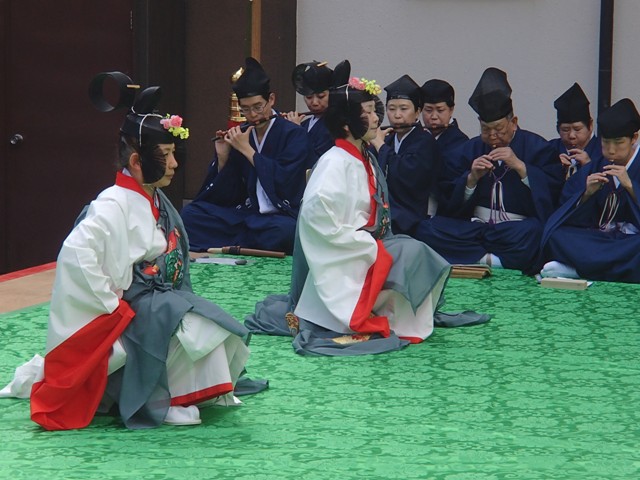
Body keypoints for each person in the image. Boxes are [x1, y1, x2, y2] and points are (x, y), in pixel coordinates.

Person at [0, 72, 264, 430]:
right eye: (166, 155)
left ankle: (180, 392)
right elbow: (76, 256)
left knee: (212, 326)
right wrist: (111, 305)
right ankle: (162, 399)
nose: (174, 164)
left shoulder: (153, 198)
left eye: (173, 154)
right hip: (129, 306)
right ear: (137, 162)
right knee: (198, 327)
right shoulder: (111, 205)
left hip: (154, 299)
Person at [245, 61, 489, 356]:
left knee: (418, 251)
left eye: (375, 111)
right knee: (412, 251)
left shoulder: (362, 156)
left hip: (363, 244)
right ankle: (385, 315)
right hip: (344, 256)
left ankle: (397, 315)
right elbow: (317, 221)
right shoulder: (335, 163)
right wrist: (366, 244)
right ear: (348, 125)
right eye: (369, 113)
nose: (377, 119)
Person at [415, 67, 564, 273]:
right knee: (428, 228)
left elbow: (554, 190)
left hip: (514, 227)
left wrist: (522, 168)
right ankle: (494, 260)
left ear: (513, 123)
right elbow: (448, 197)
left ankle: (475, 258)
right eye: (485, 129)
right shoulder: (469, 149)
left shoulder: (538, 147)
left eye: (499, 129)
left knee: (535, 232)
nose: (492, 135)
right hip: (477, 226)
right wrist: (471, 179)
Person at [180, 57, 310, 254]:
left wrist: (248, 151)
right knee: (190, 214)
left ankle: (239, 241)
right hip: (247, 215)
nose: (253, 114)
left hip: (279, 216)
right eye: (246, 109)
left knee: (285, 231)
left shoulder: (293, 134)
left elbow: (287, 180)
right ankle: (249, 242)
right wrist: (223, 158)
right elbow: (228, 194)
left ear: (271, 99)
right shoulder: (242, 134)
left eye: (258, 107)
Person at [539, 98, 640, 283]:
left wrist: (631, 187)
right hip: (600, 237)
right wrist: (587, 194)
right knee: (556, 234)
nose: (611, 150)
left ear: (634, 138)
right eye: (606, 143)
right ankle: (606, 270)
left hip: (631, 240)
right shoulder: (595, 167)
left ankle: (579, 270)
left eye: (618, 142)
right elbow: (568, 212)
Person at [369, 74, 440, 235]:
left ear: (417, 112)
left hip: (411, 215)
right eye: (391, 109)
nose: (397, 115)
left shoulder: (425, 142)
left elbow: (409, 177)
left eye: (403, 109)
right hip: (386, 211)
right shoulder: (388, 139)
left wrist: (380, 145)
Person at [548, 82, 603, 183]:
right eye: (565, 130)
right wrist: (554, 167)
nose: (571, 135)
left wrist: (589, 167)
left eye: (577, 129)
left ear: (590, 125)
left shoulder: (604, 151)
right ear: (557, 129)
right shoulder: (549, 150)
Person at [287, 60, 334, 167]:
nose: (314, 102)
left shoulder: (334, 125)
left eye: (321, 96)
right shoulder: (305, 124)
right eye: (309, 97)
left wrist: (298, 132)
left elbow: (316, 162)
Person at [421, 78, 469, 157]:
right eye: (428, 110)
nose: (434, 117)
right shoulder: (417, 136)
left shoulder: (460, 142)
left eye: (440, 110)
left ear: (451, 110)